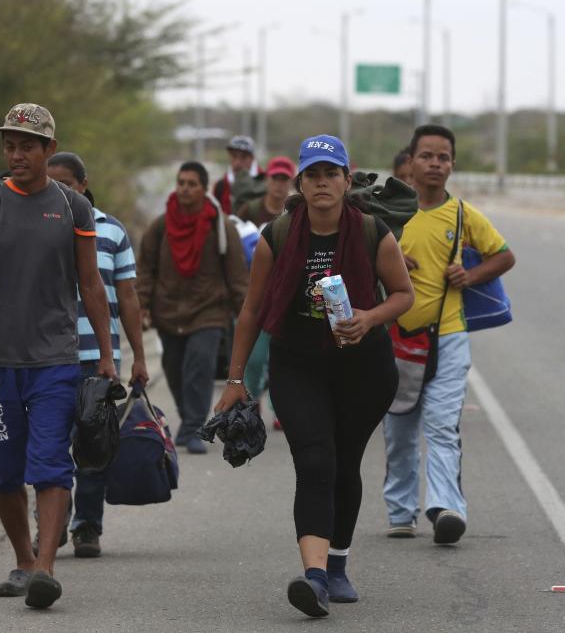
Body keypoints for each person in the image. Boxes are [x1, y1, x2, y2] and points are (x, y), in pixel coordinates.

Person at [0, 103, 117, 609]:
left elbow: (90, 283)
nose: (16, 155)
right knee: (6, 470)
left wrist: (107, 353)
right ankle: (24, 560)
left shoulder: (72, 208)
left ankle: (46, 570)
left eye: (27, 146)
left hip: (55, 359)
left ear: (49, 149)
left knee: (51, 462)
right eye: (9, 146)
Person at [214, 135, 414, 618]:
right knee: (315, 462)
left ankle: (338, 564)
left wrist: (369, 318)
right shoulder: (277, 235)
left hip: (363, 367)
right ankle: (315, 578)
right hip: (298, 363)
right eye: (313, 175)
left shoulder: (372, 231)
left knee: (345, 464)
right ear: (301, 183)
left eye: (331, 173)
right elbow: (251, 311)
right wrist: (235, 380)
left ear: (347, 180)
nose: (322, 182)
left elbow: (403, 295)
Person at [382, 124, 516, 544]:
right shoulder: (386, 216)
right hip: (397, 338)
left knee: (441, 425)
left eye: (443, 157)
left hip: (449, 335)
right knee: (399, 430)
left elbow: (504, 255)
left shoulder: (462, 215)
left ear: (452, 165)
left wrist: (470, 274)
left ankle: (446, 509)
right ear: (411, 162)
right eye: (427, 156)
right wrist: (388, 262)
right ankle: (401, 511)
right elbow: (358, 260)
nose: (435, 163)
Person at [46, 152, 148, 559]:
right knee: (50, 449)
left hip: (98, 359)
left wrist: (138, 356)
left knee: (92, 447)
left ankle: (87, 526)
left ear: (83, 186)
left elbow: (127, 296)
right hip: (46, 358)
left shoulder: (112, 232)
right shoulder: (38, 228)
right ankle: (51, 526)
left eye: (67, 185)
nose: (60, 193)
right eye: (52, 185)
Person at [136, 162, 248, 454]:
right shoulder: (161, 225)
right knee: (174, 370)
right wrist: (142, 306)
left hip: (209, 312)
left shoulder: (220, 226)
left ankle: (194, 428)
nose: (184, 188)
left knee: (199, 367)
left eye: (191, 183)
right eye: (181, 182)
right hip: (168, 311)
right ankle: (189, 421)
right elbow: (145, 267)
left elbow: (236, 275)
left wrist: (247, 315)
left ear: (203, 188)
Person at [235, 155, 297, 431]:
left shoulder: (296, 212)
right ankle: (252, 397)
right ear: (267, 180)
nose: (279, 185)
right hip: (256, 297)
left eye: (285, 179)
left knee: (281, 359)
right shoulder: (250, 209)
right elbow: (233, 248)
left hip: (286, 299)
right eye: (276, 178)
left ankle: (280, 408)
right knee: (256, 359)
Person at [213, 135, 262, 214]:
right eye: (234, 156)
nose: (237, 162)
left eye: (244, 157)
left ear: (252, 158)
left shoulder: (265, 183)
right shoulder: (220, 186)